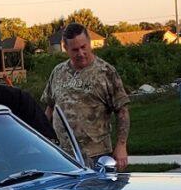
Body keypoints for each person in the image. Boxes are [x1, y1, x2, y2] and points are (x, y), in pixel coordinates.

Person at [42, 23, 131, 171]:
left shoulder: (105, 72)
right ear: (66, 48)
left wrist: (121, 146)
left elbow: (122, 110)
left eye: (84, 47)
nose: (81, 53)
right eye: (75, 50)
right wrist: (43, 141)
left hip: (96, 156)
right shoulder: (58, 72)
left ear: (89, 43)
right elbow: (50, 108)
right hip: (63, 156)